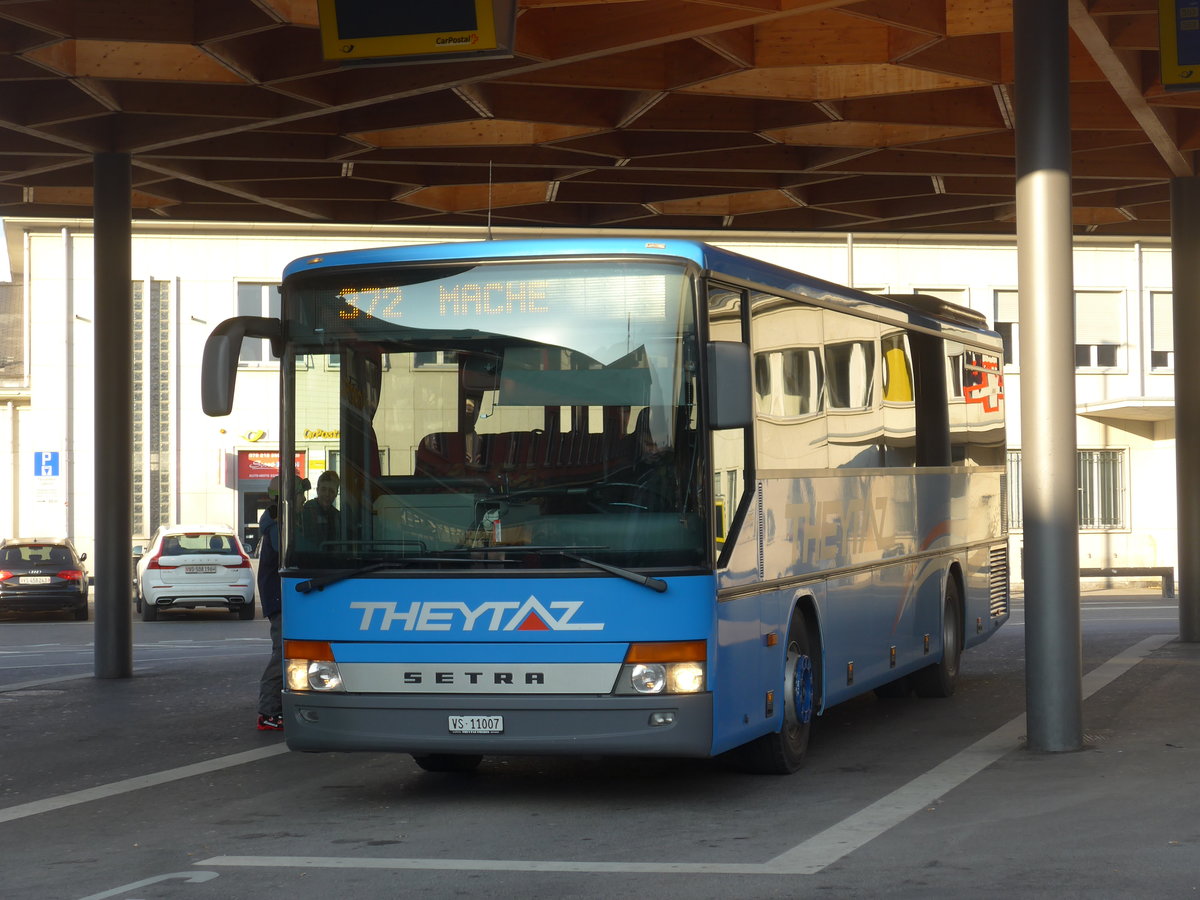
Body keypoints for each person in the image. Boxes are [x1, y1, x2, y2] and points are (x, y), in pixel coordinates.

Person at [256, 475, 284, 731]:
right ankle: (268, 712)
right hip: (279, 598)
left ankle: (277, 708)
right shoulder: (276, 524)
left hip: (280, 596)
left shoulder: (277, 520)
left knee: (285, 651)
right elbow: (283, 551)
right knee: (282, 652)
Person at [300, 470, 340, 548]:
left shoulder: (338, 516)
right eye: (323, 489)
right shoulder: (307, 510)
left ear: (336, 493)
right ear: (317, 490)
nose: (327, 494)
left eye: (331, 491)